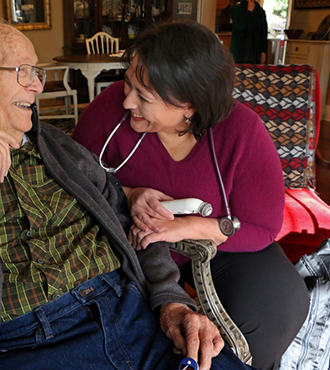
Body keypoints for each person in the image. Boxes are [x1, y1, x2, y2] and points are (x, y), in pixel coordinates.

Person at [0, 18, 255, 370]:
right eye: (22, 72)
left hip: (132, 317)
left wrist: (170, 302)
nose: (38, 87)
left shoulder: (60, 149)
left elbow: (135, 224)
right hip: (24, 345)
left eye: (36, 73)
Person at [72, 21, 309, 370]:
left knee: (277, 305)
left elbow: (262, 226)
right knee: (135, 335)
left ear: (189, 104)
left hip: (217, 244)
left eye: (144, 97)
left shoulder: (241, 130)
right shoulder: (111, 111)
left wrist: (186, 227)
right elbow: (69, 178)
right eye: (129, 85)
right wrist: (129, 193)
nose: (127, 100)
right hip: (130, 245)